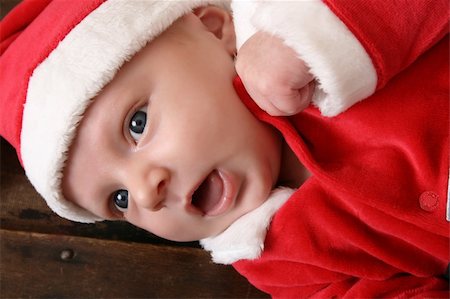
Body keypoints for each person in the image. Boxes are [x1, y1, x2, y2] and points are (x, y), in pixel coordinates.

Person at [1, 0, 448, 297]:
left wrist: (324, 33)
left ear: (216, 31)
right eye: (118, 200)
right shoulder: (269, 256)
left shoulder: (296, 24)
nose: (144, 192)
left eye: (137, 125)